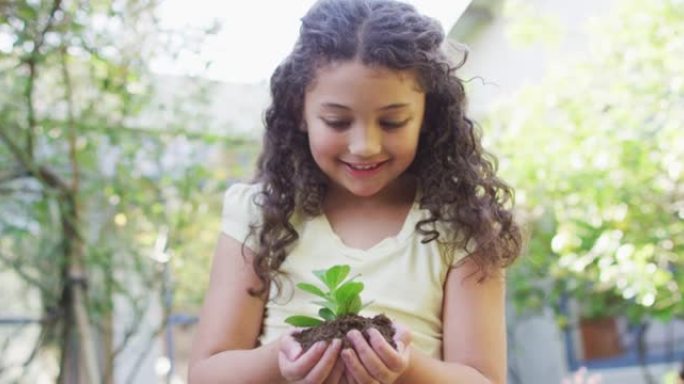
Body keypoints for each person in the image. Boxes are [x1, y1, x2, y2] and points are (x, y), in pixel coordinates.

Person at [189, 0, 521, 382]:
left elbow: (484, 378)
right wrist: (279, 360)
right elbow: (206, 373)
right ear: (300, 111)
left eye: (393, 121)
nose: (365, 145)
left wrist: (407, 367)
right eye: (337, 120)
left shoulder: (462, 223)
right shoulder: (260, 214)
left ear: (427, 115)